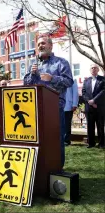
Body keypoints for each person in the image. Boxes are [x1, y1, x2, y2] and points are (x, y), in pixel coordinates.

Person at [24, 34, 73, 168]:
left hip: (55, 108)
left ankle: (57, 168)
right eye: (39, 44)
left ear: (50, 46)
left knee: (56, 140)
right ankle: (40, 168)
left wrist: (52, 78)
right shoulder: (33, 65)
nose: (40, 46)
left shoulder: (61, 62)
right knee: (39, 140)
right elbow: (26, 85)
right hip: (36, 109)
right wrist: (31, 75)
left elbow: (69, 81)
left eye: (43, 43)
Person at [82, 64, 105, 148]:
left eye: (95, 68)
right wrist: (89, 101)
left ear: (98, 70)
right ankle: (91, 143)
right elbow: (84, 93)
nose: (93, 69)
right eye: (92, 68)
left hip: (99, 107)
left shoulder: (102, 79)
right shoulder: (86, 80)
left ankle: (102, 143)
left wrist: (94, 101)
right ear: (90, 70)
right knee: (90, 126)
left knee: (100, 126)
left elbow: (103, 91)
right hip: (89, 107)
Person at [64, 79, 79, 146]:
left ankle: (66, 141)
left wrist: (74, 104)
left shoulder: (72, 79)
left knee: (67, 124)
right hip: (58, 105)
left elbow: (75, 92)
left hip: (68, 106)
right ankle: (60, 140)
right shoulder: (56, 77)